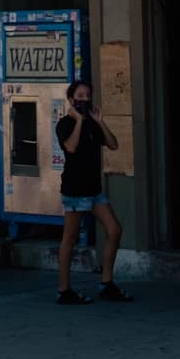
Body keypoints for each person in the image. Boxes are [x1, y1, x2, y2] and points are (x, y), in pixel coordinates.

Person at [55, 80, 132, 305]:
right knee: (70, 238)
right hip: (75, 190)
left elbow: (113, 144)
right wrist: (78, 120)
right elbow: (70, 147)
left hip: (94, 189)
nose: (85, 99)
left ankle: (107, 283)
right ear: (71, 99)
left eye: (88, 95)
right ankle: (64, 290)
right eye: (80, 96)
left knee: (114, 230)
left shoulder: (93, 124)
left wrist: (100, 121)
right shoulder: (65, 124)